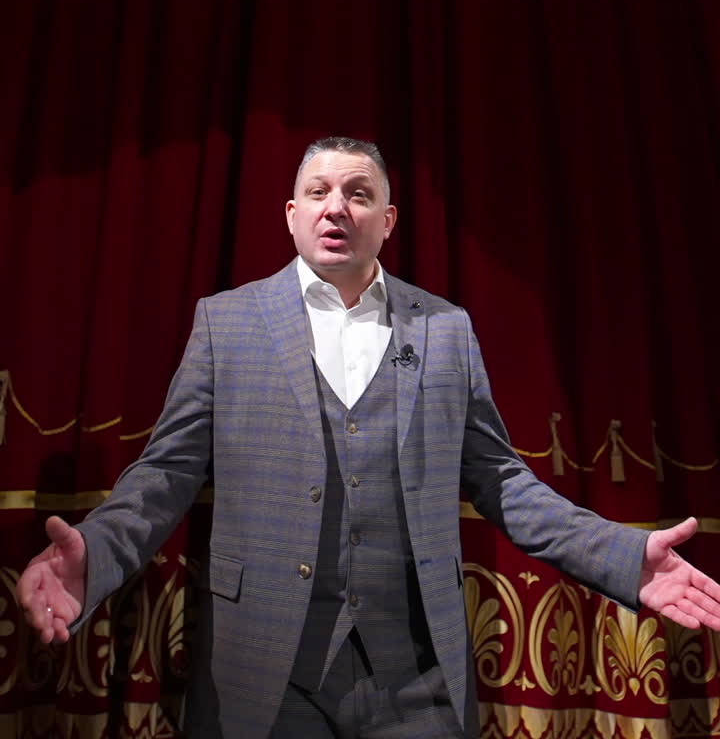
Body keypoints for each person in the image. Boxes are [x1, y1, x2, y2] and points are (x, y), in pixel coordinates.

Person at [17, 136, 720, 738]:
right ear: (291, 215)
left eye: (358, 194)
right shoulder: (226, 325)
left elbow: (504, 482)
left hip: (415, 678)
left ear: (387, 220)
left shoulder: (445, 331)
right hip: (263, 670)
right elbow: (163, 477)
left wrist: (628, 559)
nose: (336, 206)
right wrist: (95, 558)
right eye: (318, 192)